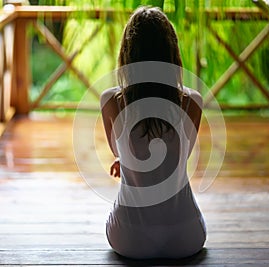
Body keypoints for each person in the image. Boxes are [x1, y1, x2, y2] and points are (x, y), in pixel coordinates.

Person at [100, 6, 206, 259]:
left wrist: (126, 158)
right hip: (186, 236)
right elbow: (181, 157)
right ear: (172, 53)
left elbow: (118, 150)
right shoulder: (193, 101)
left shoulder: (111, 101)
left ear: (127, 55)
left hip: (130, 238)